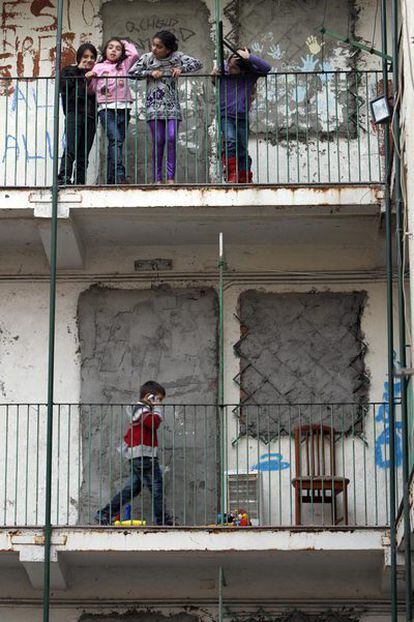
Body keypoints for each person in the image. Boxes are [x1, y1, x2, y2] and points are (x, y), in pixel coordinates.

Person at [95, 381, 174, 526]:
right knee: (156, 488)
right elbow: (154, 423)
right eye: (158, 399)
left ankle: (105, 513)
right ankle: (162, 520)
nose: (160, 403)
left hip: (140, 456)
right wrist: (157, 408)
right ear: (149, 396)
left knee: (132, 489)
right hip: (144, 457)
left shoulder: (141, 409)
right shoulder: (140, 409)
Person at [129, 30, 202, 184]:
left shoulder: (177, 57)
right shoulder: (147, 58)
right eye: (153, 45)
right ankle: (157, 179)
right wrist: (150, 73)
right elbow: (132, 72)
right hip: (153, 107)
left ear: (168, 49)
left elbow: (198, 63)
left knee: (171, 138)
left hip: (172, 106)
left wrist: (181, 69)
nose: (154, 49)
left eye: (159, 46)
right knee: (159, 140)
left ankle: (170, 178)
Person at [87, 38, 139, 184]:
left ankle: (111, 179)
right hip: (106, 109)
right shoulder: (98, 67)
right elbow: (91, 90)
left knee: (116, 143)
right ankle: (119, 174)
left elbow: (134, 54)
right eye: (110, 47)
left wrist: (123, 41)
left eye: (118, 48)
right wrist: (90, 78)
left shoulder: (124, 65)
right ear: (105, 51)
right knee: (115, 140)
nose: (114, 50)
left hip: (124, 108)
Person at [215, 47, 271, 183]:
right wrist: (214, 72)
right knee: (230, 141)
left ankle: (245, 176)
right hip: (225, 115)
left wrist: (248, 57)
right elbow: (214, 73)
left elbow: (267, 67)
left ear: (243, 69)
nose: (229, 68)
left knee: (241, 148)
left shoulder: (250, 75)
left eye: (233, 67)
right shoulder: (223, 71)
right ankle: (232, 174)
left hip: (241, 116)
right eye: (229, 63)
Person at [58, 43, 98, 185]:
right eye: (85, 56)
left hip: (91, 117)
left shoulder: (95, 75)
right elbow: (64, 88)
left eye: (92, 57)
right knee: (71, 147)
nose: (89, 59)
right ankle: (63, 178)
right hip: (74, 114)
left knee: (84, 153)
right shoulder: (69, 71)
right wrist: (83, 77)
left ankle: (80, 182)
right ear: (79, 57)